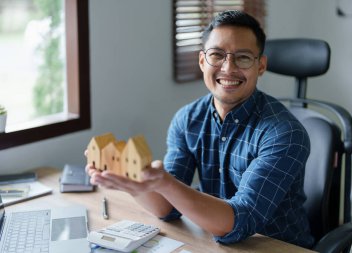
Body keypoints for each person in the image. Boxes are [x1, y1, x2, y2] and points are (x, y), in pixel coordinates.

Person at [86, 10, 314, 248]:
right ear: (202, 61)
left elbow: (240, 223)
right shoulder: (187, 120)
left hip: (278, 247)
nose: (228, 68)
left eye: (243, 58)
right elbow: (166, 207)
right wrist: (134, 185)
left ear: (261, 66)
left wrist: (163, 183)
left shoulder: (285, 133)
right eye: (217, 55)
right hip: (214, 242)